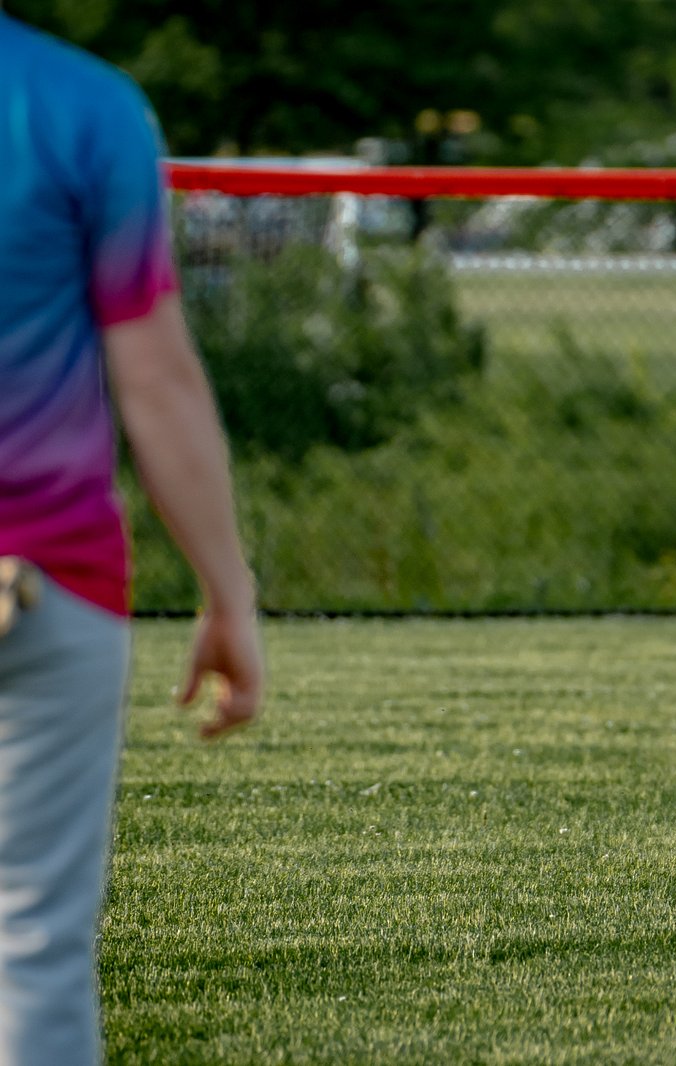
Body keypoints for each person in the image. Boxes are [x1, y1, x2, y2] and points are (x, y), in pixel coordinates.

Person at [0, 12, 265, 1064]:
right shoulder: (85, 105)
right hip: (45, 578)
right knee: (35, 963)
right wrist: (229, 596)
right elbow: (153, 378)